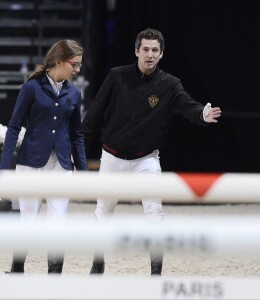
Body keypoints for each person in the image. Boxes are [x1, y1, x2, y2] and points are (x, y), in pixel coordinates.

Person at [82, 28, 221, 276]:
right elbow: (94, 114)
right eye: (145, 49)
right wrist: (78, 149)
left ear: (161, 54)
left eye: (155, 50)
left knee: (154, 211)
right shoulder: (116, 76)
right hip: (111, 157)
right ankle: (98, 264)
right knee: (103, 210)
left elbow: (189, 106)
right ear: (136, 51)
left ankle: (156, 272)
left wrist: (202, 114)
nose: (150, 54)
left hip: (145, 161)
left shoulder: (169, 84)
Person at [0, 39, 87, 274]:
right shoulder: (31, 88)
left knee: (58, 222)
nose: (78, 69)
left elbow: (77, 135)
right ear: (59, 61)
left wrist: (84, 170)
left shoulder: (74, 93)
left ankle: (54, 275)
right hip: (31, 163)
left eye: (79, 65)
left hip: (61, 164)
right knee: (28, 220)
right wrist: (5, 167)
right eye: (75, 64)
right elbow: (14, 127)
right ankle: (17, 269)